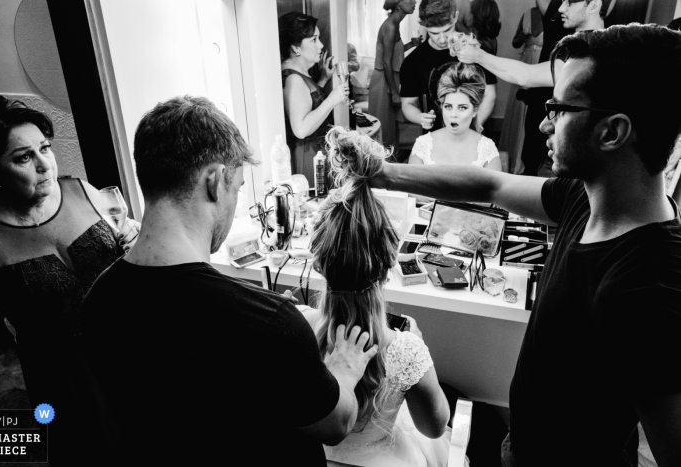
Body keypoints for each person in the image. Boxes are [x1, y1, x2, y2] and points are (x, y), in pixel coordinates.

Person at [367, 24, 681, 467]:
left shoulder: (651, 285)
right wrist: (382, 174)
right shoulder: (582, 196)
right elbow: (491, 184)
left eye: (560, 108)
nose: (543, 122)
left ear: (612, 132)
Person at [80, 96, 378, 466]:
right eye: (236, 187)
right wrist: (343, 369)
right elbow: (336, 425)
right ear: (216, 180)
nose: (235, 199)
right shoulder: (269, 323)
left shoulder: (98, 300)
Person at [0, 95, 138, 466]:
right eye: (23, 158)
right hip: (66, 383)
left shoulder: (83, 190)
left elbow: (131, 241)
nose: (45, 165)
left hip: (130, 350)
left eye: (45, 148)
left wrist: (134, 239)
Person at [305, 127, 458, 467]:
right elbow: (435, 427)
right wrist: (417, 355)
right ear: (389, 263)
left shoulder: (297, 328)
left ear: (319, 261)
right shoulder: (405, 348)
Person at [456, 0, 612, 176]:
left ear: (593, 6)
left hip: (573, 149)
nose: (561, 8)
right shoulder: (574, 38)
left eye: (569, 3)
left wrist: (478, 55)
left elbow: (526, 76)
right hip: (552, 140)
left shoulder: (591, 49)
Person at [400, 0, 497, 133]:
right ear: (423, 24)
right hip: (435, 137)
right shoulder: (412, 62)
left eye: (447, 30)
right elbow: (407, 104)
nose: (442, 39)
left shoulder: (475, 50)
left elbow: (489, 94)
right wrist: (420, 117)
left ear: (455, 17)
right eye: (434, 33)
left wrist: (476, 124)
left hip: (471, 134)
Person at [279, 12, 349, 184]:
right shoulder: (294, 79)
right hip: (309, 160)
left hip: (314, 155)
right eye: (314, 40)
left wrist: (323, 80)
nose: (321, 45)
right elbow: (300, 129)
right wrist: (332, 100)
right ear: (296, 48)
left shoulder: (297, 73)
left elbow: (304, 103)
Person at [409, 62, 500, 171]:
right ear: (442, 106)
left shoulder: (487, 149)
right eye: (448, 107)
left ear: (475, 110)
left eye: (462, 108)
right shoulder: (423, 145)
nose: (453, 115)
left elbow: (495, 188)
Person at [368, 0, 421, 147]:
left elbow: (392, 54)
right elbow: (386, 63)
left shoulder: (394, 24)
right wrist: (394, 92)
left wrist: (412, 44)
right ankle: (380, 166)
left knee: (390, 128)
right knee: (382, 129)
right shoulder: (390, 26)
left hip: (389, 78)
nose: (414, 1)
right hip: (384, 80)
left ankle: (390, 163)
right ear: (399, 4)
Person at [498, 5, 544, 174]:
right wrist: (521, 37)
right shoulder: (527, 14)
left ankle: (528, 162)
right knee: (519, 109)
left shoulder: (557, 15)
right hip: (526, 62)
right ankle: (513, 160)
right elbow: (515, 43)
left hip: (542, 64)